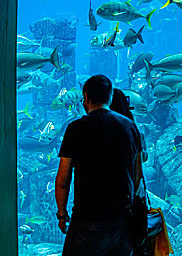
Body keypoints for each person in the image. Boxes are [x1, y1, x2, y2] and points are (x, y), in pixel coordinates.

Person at [55, 75, 143, 256]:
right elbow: (137, 176)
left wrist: (62, 214)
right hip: (122, 221)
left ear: (85, 97)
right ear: (110, 98)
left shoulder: (76, 128)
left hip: (87, 219)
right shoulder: (130, 127)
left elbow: (63, 179)